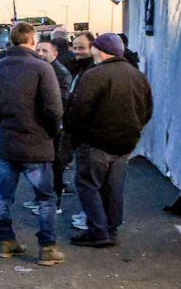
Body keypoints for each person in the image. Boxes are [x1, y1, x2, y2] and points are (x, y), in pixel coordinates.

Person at [0, 23, 66, 266]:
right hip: (37, 143)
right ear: (32, 39)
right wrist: (49, 132)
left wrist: (5, 121)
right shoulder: (41, 67)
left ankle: (6, 241)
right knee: (46, 198)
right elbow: (54, 108)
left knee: (4, 196)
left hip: (8, 141)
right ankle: (47, 247)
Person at [66, 33, 154, 248]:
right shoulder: (136, 75)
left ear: (102, 50)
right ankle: (111, 229)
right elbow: (147, 109)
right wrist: (134, 130)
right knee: (113, 188)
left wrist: (75, 138)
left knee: (88, 184)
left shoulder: (95, 74)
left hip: (96, 143)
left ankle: (98, 230)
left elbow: (79, 110)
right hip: (125, 144)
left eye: (94, 47)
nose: (92, 51)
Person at [35, 39, 73, 212]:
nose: (41, 54)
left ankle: (54, 203)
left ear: (55, 53)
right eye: (38, 50)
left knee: (55, 167)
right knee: (42, 166)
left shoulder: (60, 73)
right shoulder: (41, 69)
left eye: (44, 51)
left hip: (56, 128)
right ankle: (41, 199)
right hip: (43, 126)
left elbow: (62, 102)